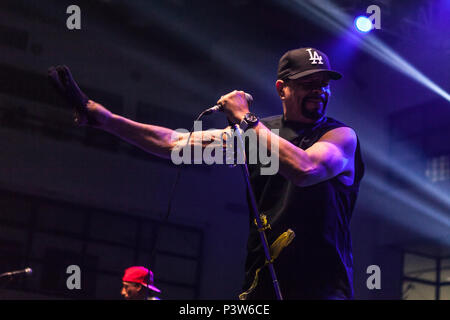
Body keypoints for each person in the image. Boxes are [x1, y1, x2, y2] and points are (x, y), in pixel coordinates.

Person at [48, 47, 364, 300]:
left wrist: (244, 118)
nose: (319, 91)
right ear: (282, 88)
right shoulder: (257, 133)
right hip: (260, 285)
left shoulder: (339, 136)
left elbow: (305, 169)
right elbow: (174, 142)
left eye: (324, 84)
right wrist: (107, 120)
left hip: (322, 288)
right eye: (308, 83)